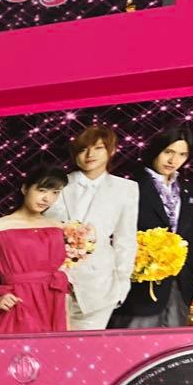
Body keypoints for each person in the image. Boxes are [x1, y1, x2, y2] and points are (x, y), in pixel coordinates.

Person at [44, 124, 138, 330]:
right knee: (50, 344)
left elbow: (125, 239)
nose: (90, 154)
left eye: (98, 148)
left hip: (100, 286)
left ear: (111, 151)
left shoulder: (126, 188)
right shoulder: (57, 183)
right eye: (83, 149)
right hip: (52, 281)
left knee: (86, 346)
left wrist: (122, 285)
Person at [0, 165, 69, 335]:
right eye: (41, 190)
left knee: (52, 350)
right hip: (17, 304)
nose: (47, 198)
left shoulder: (58, 227)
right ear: (25, 189)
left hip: (53, 303)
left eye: (55, 192)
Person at [111, 123, 193, 329]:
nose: (173, 160)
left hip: (179, 286)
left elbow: (191, 235)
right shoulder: (131, 185)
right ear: (156, 149)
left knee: (174, 345)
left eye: (182, 154)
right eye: (168, 152)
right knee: (132, 342)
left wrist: (190, 279)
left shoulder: (188, 189)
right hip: (139, 286)